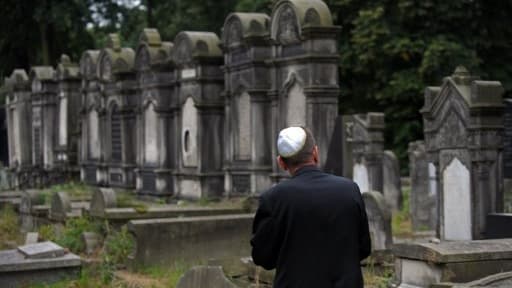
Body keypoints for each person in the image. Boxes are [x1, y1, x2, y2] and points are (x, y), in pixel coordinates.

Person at [251, 126, 371, 288]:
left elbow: (263, 257)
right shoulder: (349, 189)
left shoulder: (273, 199)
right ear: (315, 153)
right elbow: (363, 248)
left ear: (281, 163)